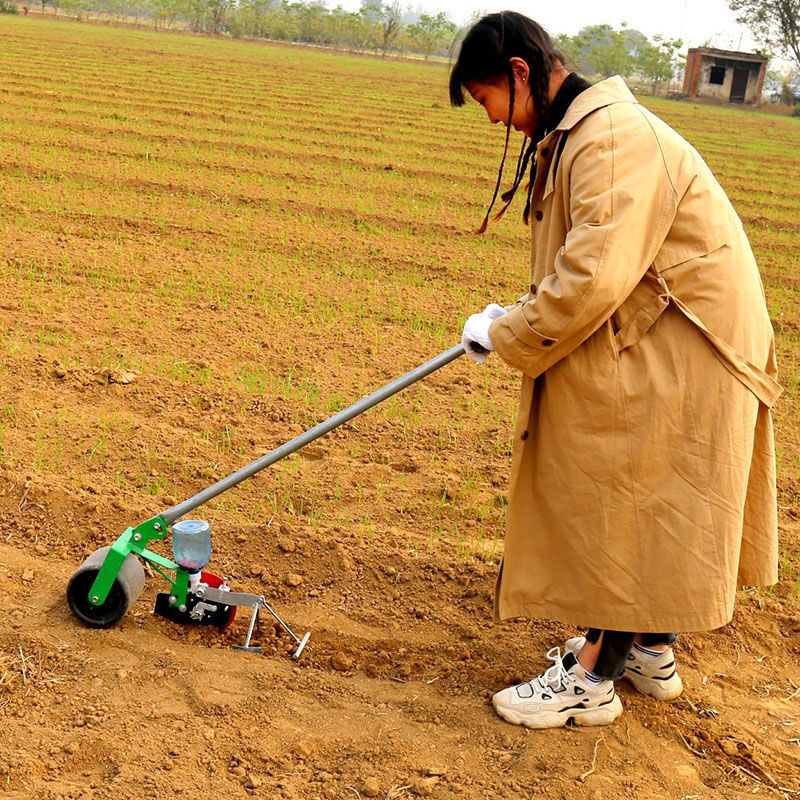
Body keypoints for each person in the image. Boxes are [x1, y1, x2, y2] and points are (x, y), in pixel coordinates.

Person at [450, 11, 781, 730]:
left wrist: (506, 331)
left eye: (487, 101)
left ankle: (593, 678)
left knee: (628, 486)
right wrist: (519, 312)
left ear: (519, 74)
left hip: (693, 345)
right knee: (648, 492)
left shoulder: (608, 140)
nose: (494, 122)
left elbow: (592, 278)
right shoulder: (586, 133)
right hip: (679, 332)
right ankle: (648, 651)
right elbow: (591, 264)